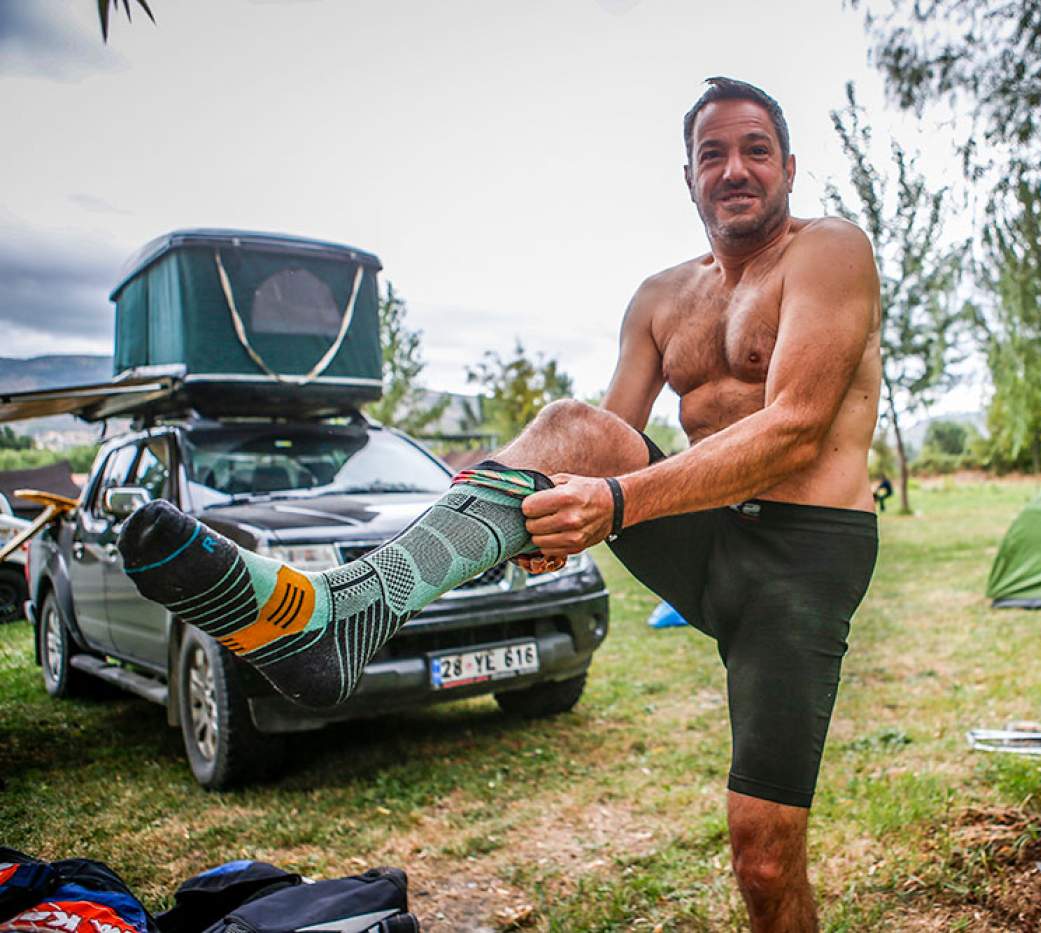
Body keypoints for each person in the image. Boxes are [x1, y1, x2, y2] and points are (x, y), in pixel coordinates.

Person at [119, 76, 880, 933]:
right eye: (713, 154)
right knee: (567, 423)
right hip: (702, 533)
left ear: (788, 167)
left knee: (763, 856)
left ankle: (342, 614)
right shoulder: (662, 297)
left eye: (754, 150)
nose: (734, 169)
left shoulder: (828, 250)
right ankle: (340, 615)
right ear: (688, 177)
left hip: (801, 558)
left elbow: (795, 429)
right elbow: (599, 443)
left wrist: (612, 502)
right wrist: (549, 519)